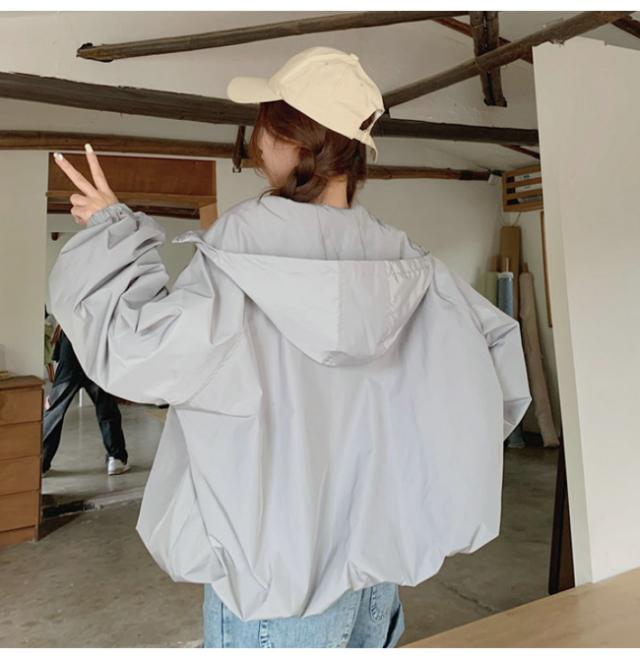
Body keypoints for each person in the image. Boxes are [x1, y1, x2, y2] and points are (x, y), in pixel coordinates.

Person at [48, 46, 531, 648]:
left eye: (265, 122)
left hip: (274, 576)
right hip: (374, 566)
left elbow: (138, 352)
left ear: (289, 138)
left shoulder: (242, 249)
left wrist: (111, 234)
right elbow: (492, 371)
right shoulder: (402, 258)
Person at [42, 327, 130, 476]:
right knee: (106, 405)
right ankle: (116, 458)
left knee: (55, 409)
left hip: (72, 341)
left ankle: (41, 462)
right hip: (96, 344)